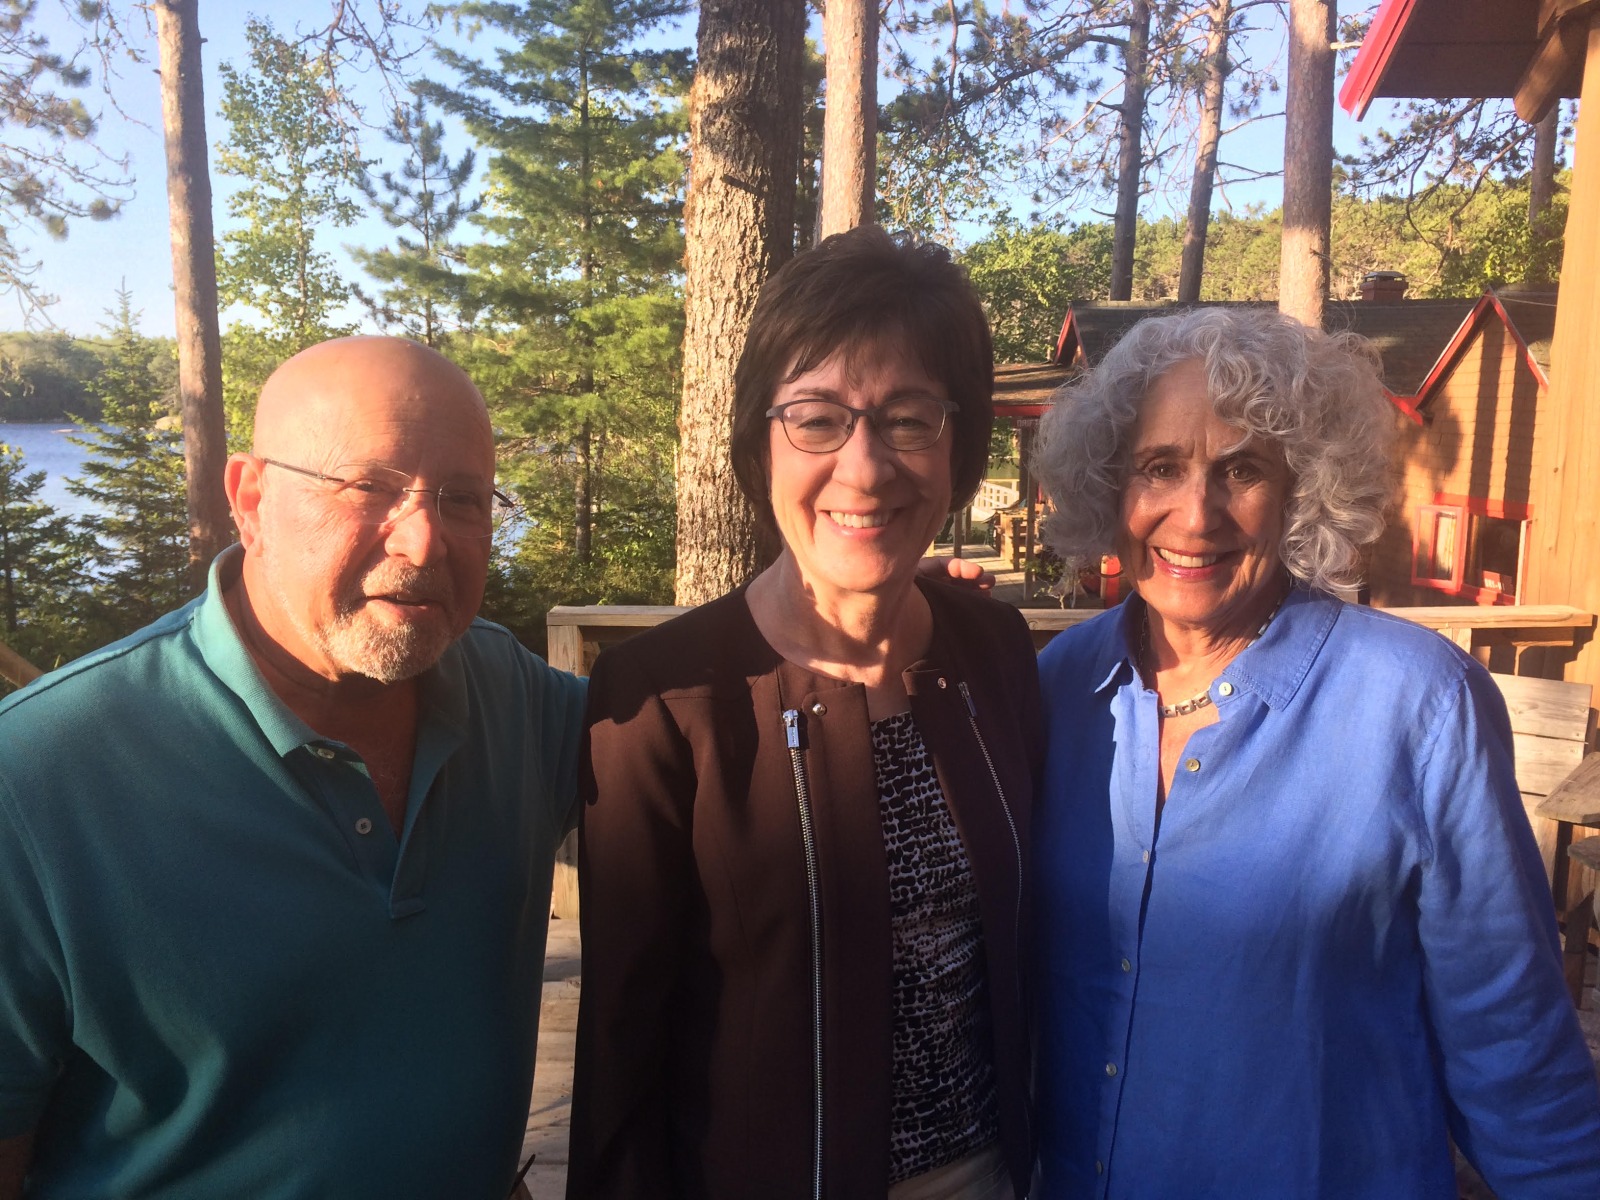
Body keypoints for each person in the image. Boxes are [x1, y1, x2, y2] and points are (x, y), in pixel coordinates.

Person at [1029, 306, 1600, 1198]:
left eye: (1243, 470)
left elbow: (1513, 1046)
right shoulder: (1057, 689)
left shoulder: (1420, 704)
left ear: (1302, 488)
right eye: (1160, 468)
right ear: (1112, 488)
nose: (1197, 513)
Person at [0, 337, 587, 1199]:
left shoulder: (511, 699)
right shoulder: (42, 777)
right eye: (370, 487)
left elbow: (712, 744)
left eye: (463, 499)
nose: (425, 543)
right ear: (251, 498)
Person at [567, 226, 1041, 1200]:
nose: (864, 469)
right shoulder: (664, 704)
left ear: (960, 447)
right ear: (759, 441)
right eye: (816, 419)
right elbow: (621, 1050)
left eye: (909, 418)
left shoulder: (993, 655)